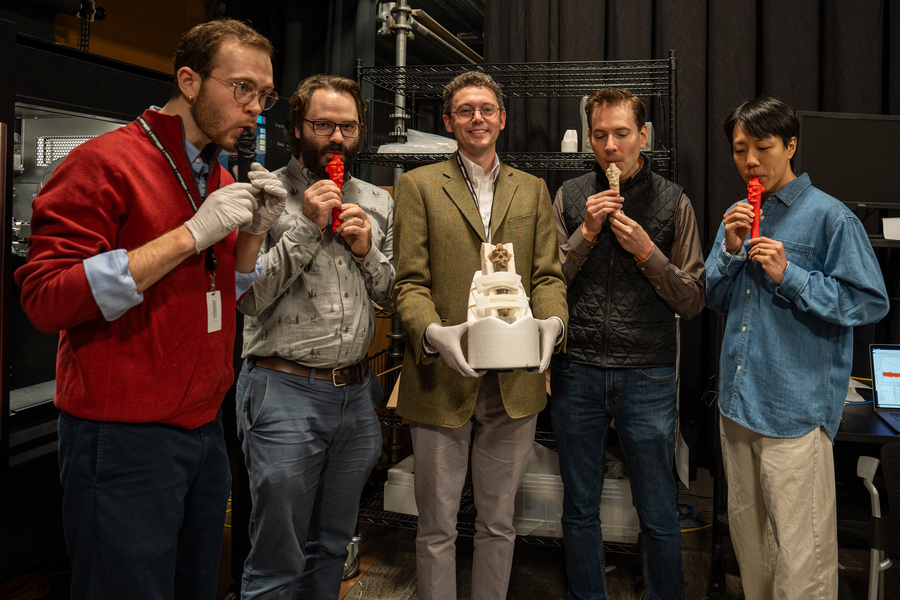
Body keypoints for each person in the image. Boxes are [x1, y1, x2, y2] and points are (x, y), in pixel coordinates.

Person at [14, 19, 286, 600]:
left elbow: (209, 291)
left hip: (201, 428)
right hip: (122, 437)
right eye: (242, 89)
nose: (255, 109)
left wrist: (255, 235)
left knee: (194, 585)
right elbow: (45, 297)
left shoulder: (213, 171)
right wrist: (191, 233)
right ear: (188, 80)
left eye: (264, 95)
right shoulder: (105, 162)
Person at [391, 71, 568, 600]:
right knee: (437, 528)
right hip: (441, 379)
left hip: (514, 384)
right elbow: (410, 283)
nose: (477, 118)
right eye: (465, 110)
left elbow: (548, 277)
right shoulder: (418, 186)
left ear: (502, 119)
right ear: (449, 122)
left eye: (487, 109)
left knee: (498, 523)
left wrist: (554, 323)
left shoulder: (533, 189)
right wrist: (431, 333)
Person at [705, 96, 889, 600]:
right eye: (741, 149)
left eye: (762, 147)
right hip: (738, 409)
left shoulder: (831, 217)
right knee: (753, 553)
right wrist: (730, 250)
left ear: (790, 145)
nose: (750, 161)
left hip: (795, 413)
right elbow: (713, 297)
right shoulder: (735, 215)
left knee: (801, 561)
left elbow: (870, 302)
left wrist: (792, 276)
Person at [235, 74, 393, 600]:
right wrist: (305, 225)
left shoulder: (376, 200)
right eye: (323, 124)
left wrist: (369, 249)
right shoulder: (265, 192)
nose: (336, 137)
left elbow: (397, 295)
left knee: (331, 546)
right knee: (278, 558)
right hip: (283, 393)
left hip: (355, 396)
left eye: (347, 126)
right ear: (297, 128)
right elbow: (248, 298)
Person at [551, 87, 706, 600]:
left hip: (649, 373)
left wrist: (647, 252)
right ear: (590, 139)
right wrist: (586, 233)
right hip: (579, 369)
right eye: (600, 135)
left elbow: (693, 300)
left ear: (644, 136)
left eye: (622, 134)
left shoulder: (673, 200)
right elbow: (546, 283)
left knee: (659, 509)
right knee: (579, 506)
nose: (611, 146)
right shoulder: (570, 197)